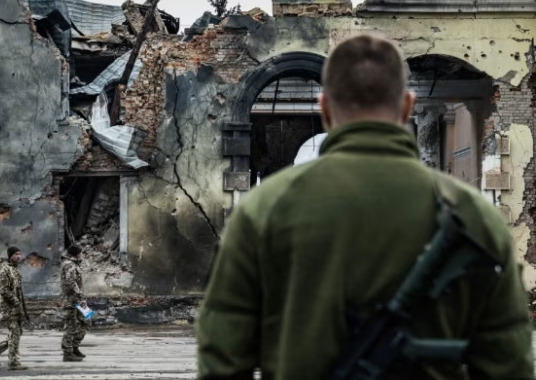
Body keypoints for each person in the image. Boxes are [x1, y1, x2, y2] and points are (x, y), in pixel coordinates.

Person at [196, 33, 533, 379]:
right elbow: (508, 365)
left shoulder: (261, 212)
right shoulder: (476, 218)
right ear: (406, 106)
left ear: (325, 108)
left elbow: (222, 359)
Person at [0, 245, 28, 371]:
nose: (19, 256)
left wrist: (21, 307)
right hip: (9, 308)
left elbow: (18, 290)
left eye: (19, 254)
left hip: (16, 308)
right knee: (15, 333)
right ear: (10, 255)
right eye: (16, 254)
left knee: (16, 333)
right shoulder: (5, 270)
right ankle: (13, 362)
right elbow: (3, 290)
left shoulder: (14, 269)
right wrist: (16, 302)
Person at [61, 243, 89, 362]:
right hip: (72, 301)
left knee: (87, 320)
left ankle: (74, 347)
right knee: (71, 326)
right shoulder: (69, 265)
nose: (82, 255)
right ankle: (68, 353)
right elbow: (71, 282)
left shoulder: (75, 264)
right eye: (81, 252)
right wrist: (80, 296)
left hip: (79, 300)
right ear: (77, 254)